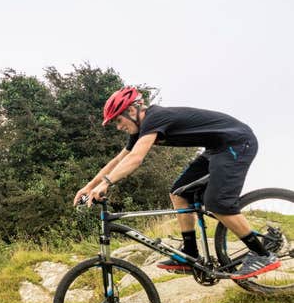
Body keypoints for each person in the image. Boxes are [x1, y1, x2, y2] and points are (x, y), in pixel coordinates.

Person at [73, 86, 280, 280]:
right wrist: (90, 186)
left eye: (118, 120)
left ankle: (262, 254)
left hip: (236, 143)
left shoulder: (155, 117)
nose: (118, 127)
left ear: (133, 110)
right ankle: (190, 255)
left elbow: (136, 159)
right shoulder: (141, 129)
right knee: (178, 193)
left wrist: (106, 183)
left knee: (217, 203)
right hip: (215, 149)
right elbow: (119, 160)